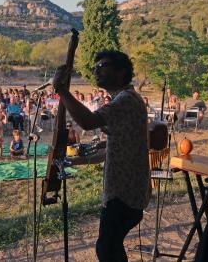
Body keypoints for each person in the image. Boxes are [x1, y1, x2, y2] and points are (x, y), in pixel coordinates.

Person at [52, 50, 150, 262]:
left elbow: (88, 121)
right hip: (126, 191)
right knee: (110, 247)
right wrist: (77, 160)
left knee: (107, 249)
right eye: (95, 67)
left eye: (103, 66)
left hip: (124, 194)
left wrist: (61, 90)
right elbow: (115, 150)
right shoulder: (125, 99)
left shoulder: (126, 100)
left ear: (121, 71)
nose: (96, 71)